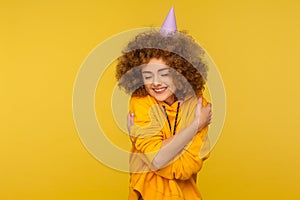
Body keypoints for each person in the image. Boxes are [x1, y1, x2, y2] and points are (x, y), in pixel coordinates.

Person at [115, 7, 212, 200]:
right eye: (148, 75)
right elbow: (158, 159)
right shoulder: (140, 101)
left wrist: (158, 149)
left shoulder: (198, 103)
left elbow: (187, 167)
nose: (156, 83)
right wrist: (195, 126)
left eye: (165, 74)